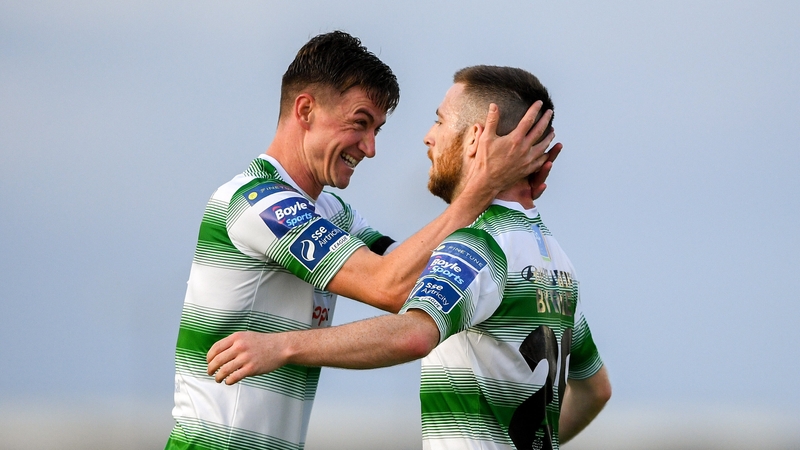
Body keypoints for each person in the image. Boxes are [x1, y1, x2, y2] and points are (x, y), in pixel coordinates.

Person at [166, 31, 558, 450]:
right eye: (360, 123)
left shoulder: (334, 213)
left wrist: (511, 195)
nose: (370, 148)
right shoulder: (257, 202)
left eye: (377, 129)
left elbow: (420, 280)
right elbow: (384, 284)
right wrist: (483, 186)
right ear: (305, 110)